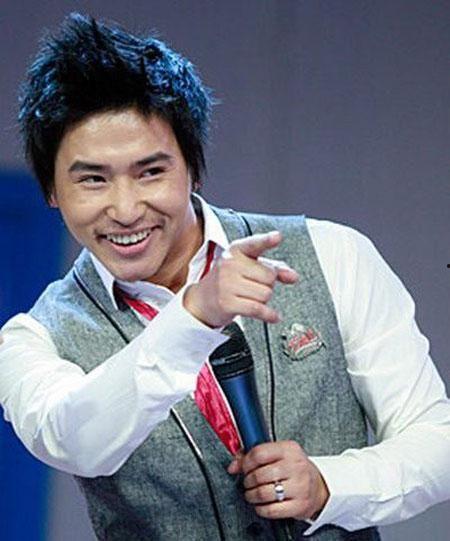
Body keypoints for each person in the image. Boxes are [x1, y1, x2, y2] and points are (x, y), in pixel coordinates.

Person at [0, 12, 449, 541]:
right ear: (52, 191)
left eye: (151, 172)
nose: (125, 209)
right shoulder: (33, 339)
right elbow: (77, 442)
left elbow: (436, 441)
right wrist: (193, 317)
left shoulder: (332, 253)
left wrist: (330, 484)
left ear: (192, 167)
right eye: (93, 180)